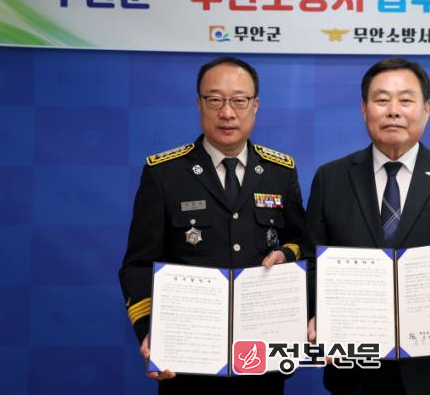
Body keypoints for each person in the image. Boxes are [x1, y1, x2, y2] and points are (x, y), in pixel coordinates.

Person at [303, 57, 430, 395]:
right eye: (381, 100)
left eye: (406, 100)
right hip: (353, 368)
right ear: (364, 109)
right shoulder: (330, 178)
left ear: (426, 109)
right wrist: (319, 314)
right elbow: (311, 262)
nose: (393, 111)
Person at [119, 56, 305, 394]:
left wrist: (287, 255)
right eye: (215, 100)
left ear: (255, 105)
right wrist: (150, 330)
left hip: (261, 360)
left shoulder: (281, 171)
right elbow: (138, 264)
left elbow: (302, 243)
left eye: (239, 100)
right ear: (199, 104)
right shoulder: (164, 174)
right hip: (188, 363)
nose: (227, 112)